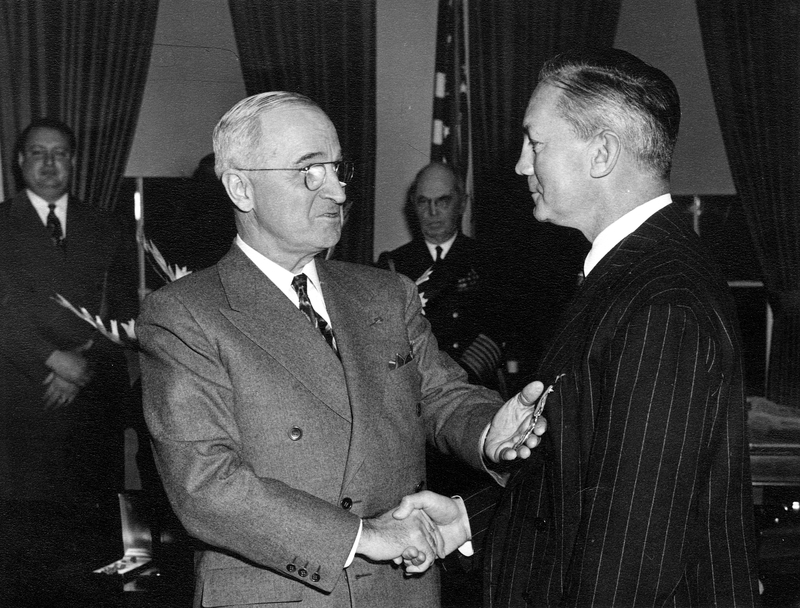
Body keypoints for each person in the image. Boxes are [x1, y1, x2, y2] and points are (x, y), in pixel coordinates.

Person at [137, 91, 547, 608]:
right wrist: (365, 537)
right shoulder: (186, 314)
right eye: (309, 171)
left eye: (337, 168)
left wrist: (491, 431)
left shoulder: (384, 292)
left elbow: (440, 395)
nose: (336, 190)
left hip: (403, 589)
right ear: (241, 187)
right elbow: (206, 486)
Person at [395, 48, 762, 607]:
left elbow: (633, 553)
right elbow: (590, 473)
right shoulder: (631, 274)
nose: (521, 165)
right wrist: (466, 520)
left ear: (602, 154)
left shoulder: (662, 302)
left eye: (536, 143)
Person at [0, 117, 138, 607]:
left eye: (60, 153)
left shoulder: (105, 225)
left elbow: (123, 309)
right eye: (38, 153)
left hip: (90, 408)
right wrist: (51, 359)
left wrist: (82, 365)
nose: (49, 163)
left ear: (74, 161)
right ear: (20, 162)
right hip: (23, 405)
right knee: (26, 554)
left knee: (94, 552)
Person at [377, 162, 504, 391]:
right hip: (415, 385)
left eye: (443, 201)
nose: (432, 212)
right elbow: (388, 339)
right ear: (413, 205)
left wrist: (461, 377)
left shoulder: (488, 260)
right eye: (424, 202)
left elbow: (499, 329)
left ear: (462, 204)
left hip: (472, 383)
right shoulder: (394, 264)